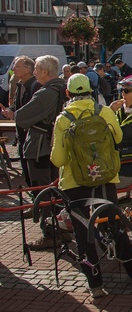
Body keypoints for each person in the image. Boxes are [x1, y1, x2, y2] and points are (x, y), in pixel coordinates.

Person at [50, 74, 132, 298]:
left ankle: (95, 284)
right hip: (104, 178)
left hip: (75, 182)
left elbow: (58, 160)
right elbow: (119, 138)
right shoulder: (103, 111)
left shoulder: (63, 118)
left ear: (68, 93)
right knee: (114, 225)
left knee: (84, 234)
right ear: (92, 90)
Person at [14, 55, 68, 250]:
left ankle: (51, 235)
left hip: (40, 148)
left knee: (43, 193)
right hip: (56, 146)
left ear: (45, 71)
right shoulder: (64, 88)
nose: (34, 72)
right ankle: (62, 230)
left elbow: (21, 117)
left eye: (36, 69)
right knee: (56, 191)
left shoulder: (46, 92)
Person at [1, 56, 41, 187]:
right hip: (22, 136)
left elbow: (33, 111)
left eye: (17, 66)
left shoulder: (36, 86)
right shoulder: (20, 85)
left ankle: (41, 204)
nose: (13, 69)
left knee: (35, 175)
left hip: (32, 137)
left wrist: (15, 114)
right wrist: (9, 110)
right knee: (27, 173)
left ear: (27, 69)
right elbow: (17, 105)